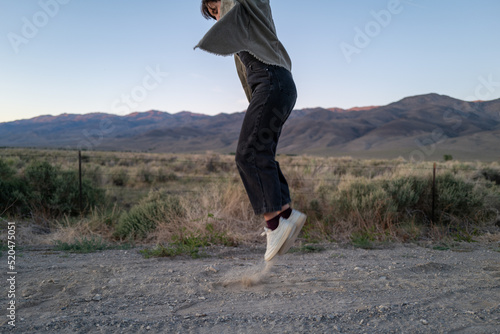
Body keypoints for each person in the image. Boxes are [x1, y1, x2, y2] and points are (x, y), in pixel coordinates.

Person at [196, 0, 306, 261]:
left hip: (273, 80)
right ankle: (287, 215)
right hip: (276, 86)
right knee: (261, 152)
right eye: (213, 15)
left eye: (216, 7)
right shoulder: (241, 34)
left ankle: (274, 226)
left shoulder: (248, 5)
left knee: (248, 154)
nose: (218, 15)